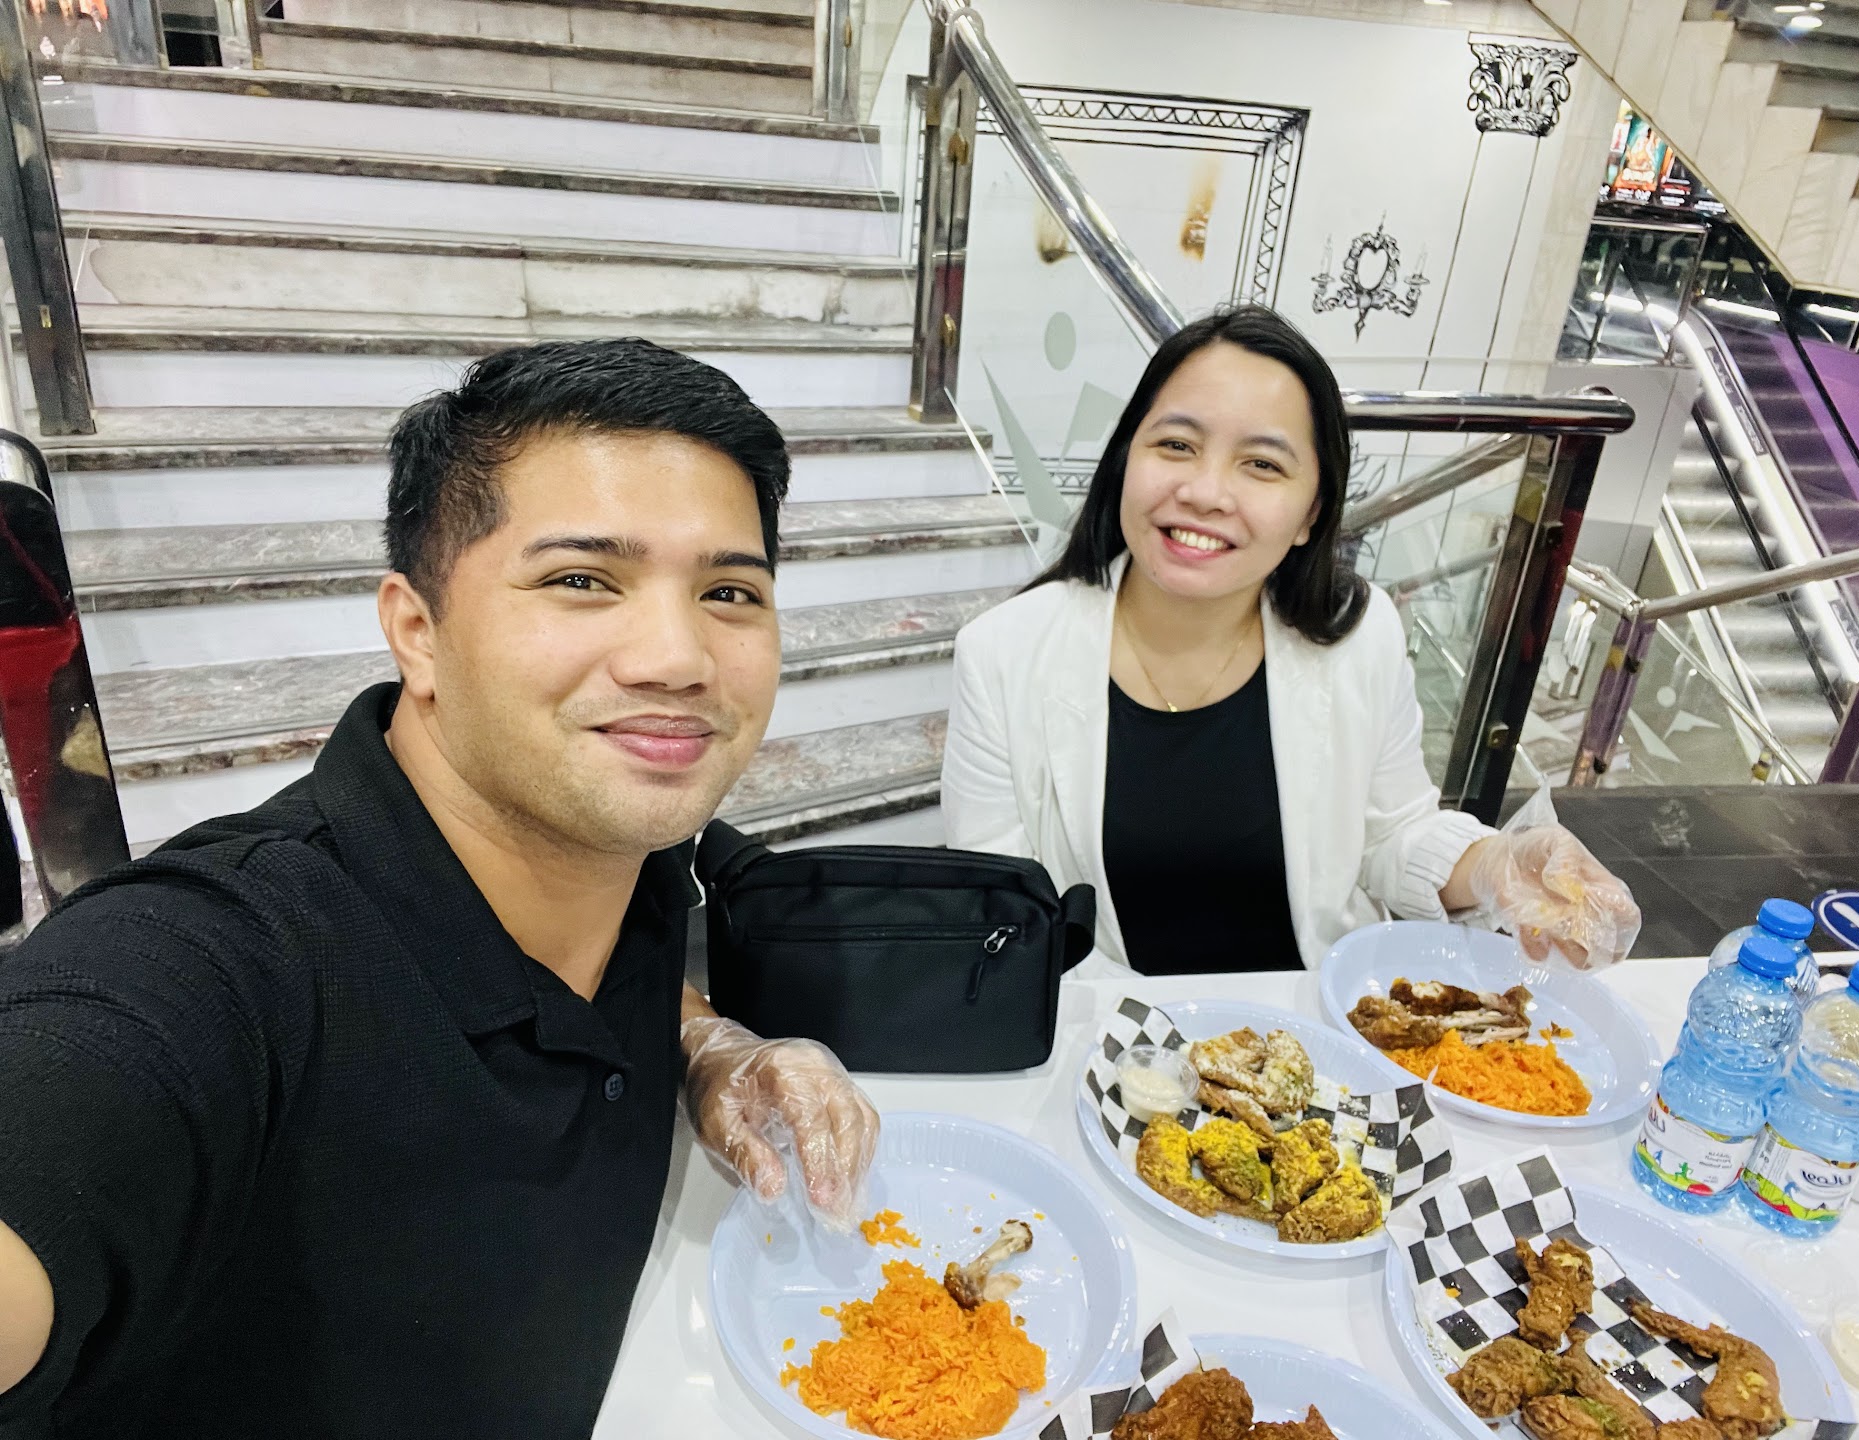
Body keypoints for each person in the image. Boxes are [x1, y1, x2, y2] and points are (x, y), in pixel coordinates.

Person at [0, 339, 880, 1437]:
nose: (678, 657)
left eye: (730, 591)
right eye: (580, 580)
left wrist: (703, 1043)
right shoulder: (216, 961)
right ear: (417, 631)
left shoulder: (622, 843)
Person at [941, 305, 1640, 975]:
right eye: (1176, 445)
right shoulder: (1004, 656)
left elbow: (1391, 834)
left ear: (1311, 514)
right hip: (1114, 1036)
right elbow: (1005, 914)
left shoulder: (1358, 636)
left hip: (1318, 1025)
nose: (1206, 492)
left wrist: (1498, 865)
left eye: (1263, 464)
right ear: (1126, 459)